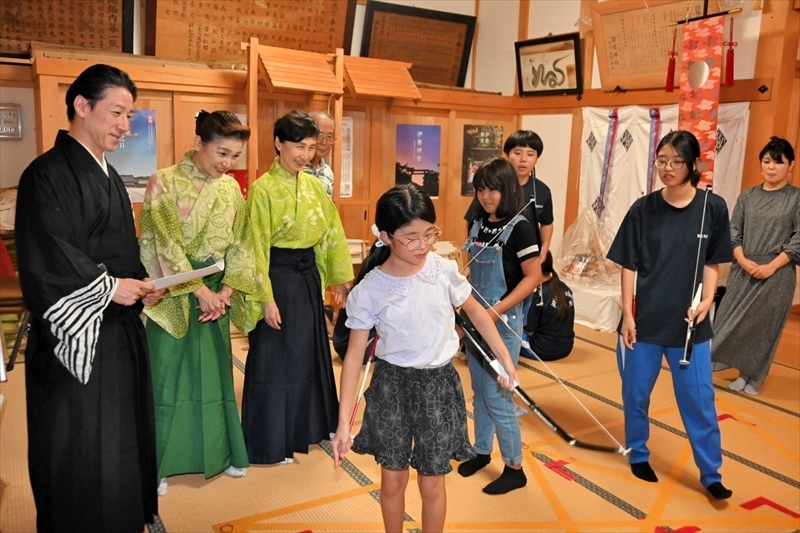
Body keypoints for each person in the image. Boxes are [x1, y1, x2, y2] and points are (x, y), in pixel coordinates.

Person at [15, 63, 161, 532]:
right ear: (82, 106)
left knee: (122, 436)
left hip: (118, 332)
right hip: (76, 337)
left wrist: (141, 286)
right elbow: (50, 259)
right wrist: (110, 287)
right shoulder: (45, 175)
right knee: (80, 444)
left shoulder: (111, 176)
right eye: (117, 112)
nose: (125, 125)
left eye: (129, 115)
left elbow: (120, 248)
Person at [332, 184, 518, 533]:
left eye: (429, 233)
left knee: (433, 482)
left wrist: (504, 358)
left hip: (438, 384)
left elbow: (478, 313)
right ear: (386, 236)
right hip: (391, 386)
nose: (423, 245)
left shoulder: (442, 270)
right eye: (411, 237)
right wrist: (344, 423)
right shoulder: (372, 288)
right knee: (392, 481)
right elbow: (354, 358)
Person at [607, 130, 733, 500]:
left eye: (677, 161)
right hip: (642, 322)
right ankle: (638, 452)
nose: (667, 167)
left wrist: (709, 298)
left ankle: (711, 474)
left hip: (690, 327)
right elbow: (628, 266)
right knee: (636, 394)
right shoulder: (642, 209)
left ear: (694, 165)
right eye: (661, 160)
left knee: (699, 401)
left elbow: (713, 260)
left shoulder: (713, 207)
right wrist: (628, 314)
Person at [139, 110, 256, 495]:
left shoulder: (230, 189)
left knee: (215, 375)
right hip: (176, 289)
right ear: (198, 144)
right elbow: (162, 240)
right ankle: (158, 465)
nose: (228, 164)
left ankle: (221, 453)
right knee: (167, 377)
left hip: (215, 297)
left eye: (235, 156)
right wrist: (197, 288)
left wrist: (225, 291)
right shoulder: (165, 181)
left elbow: (242, 241)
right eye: (222, 153)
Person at [242, 110, 353, 465]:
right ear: (278, 143)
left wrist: (340, 278)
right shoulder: (262, 189)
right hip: (276, 277)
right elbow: (255, 245)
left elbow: (331, 231)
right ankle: (272, 441)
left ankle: (307, 429)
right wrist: (265, 299)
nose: (304, 154)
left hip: (307, 278)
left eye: (309, 146)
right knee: (275, 359)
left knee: (306, 353)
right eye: (297, 146)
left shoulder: (314, 186)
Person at [457, 158, 542, 494]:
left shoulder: (521, 226)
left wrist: (497, 310)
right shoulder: (478, 222)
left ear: (507, 189)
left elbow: (534, 277)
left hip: (502, 321)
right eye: (480, 190)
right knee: (479, 392)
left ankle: (514, 466)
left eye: (492, 189)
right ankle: (481, 451)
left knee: (499, 396)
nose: (486, 197)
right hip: (477, 316)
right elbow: (472, 267)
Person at [711, 137, 799, 395]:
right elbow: (734, 230)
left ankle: (753, 376)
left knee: (762, 327)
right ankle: (738, 371)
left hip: (777, 273)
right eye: (766, 161)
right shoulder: (748, 196)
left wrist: (772, 266)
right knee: (731, 321)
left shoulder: (795, 199)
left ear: (790, 165)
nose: (771, 167)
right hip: (744, 268)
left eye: (778, 162)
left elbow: (799, 239)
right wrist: (741, 259)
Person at [522, 251, 575, 361]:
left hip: (542, 350)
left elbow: (529, 330)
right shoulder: (564, 287)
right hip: (567, 347)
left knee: (506, 332)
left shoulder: (538, 293)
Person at [304, 111, 336, 198]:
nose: (324, 142)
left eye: (329, 137)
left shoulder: (328, 172)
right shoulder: (296, 167)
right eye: (319, 135)